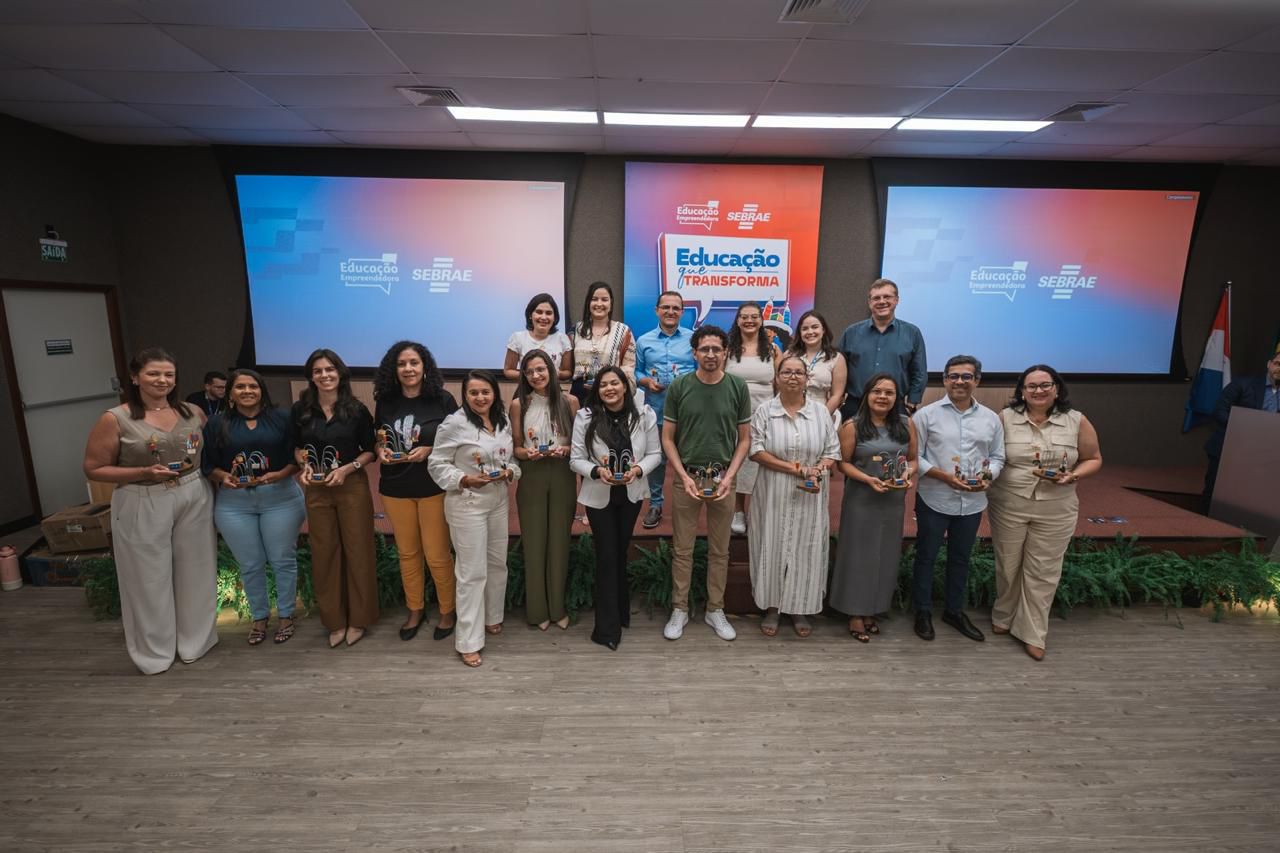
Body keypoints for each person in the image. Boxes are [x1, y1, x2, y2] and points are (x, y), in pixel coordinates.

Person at [82, 346, 217, 674]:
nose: (162, 380)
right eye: (153, 373)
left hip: (193, 492)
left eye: (168, 374)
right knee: (147, 578)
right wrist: (142, 472)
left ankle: (195, 642)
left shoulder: (193, 412)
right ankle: (154, 653)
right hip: (143, 497)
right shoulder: (115, 418)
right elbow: (94, 468)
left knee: (197, 571)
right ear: (135, 377)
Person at [988, 365, 1102, 661]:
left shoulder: (1076, 420)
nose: (1038, 390)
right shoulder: (1004, 418)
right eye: (1031, 386)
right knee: (1007, 564)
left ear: (1056, 388)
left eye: (1044, 385)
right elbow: (992, 456)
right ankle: (1004, 615)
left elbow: (1093, 458)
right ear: (1022, 391)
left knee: (1044, 571)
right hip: (1009, 503)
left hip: (1056, 507)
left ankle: (1032, 632)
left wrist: (1073, 475)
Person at [660, 325, 752, 642]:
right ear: (695, 353)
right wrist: (683, 475)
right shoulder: (679, 387)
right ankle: (680, 608)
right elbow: (667, 438)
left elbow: (744, 439)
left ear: (725, 353)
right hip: (687, 478)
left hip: (724, 479)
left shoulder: (738, 387)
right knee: (683, 549)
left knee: (720, 550)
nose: (710, 354)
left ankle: (715, 609)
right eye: (704, 349)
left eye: (716, 349)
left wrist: (730, 476)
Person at [203, 368, 305, 646]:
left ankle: (286, 616)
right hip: (234, 503)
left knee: (283, 560)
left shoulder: (283, 418)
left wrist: (281, 474)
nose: (247, 391)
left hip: (280, 498)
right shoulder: (216, 423)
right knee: (250, 564)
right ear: (230, 393)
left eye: (253, 386)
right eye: (240, 387)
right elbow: (207, 464)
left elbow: (297, 457)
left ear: (262, 390)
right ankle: (259, 618)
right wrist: (223, 477)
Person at [428, 370, 521, 668]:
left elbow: (512, 459)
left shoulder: (502, 419)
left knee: (497, 564)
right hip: (466, 503)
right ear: (465, 395)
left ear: (494, 393)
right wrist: (464, 479)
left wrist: (510, 471)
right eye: (473, 393)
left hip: (498, 500)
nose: (480, 397)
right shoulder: (454, 423)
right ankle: (468, 641)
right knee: (471, 573)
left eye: (485, 392)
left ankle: (492, 616)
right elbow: (436, 464)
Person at [910, 355, 1004, 643]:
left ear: (977, 380)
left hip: (973, 502)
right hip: (934, 498)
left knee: (961, 559)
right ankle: (922, 611)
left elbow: (998, 457)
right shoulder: (925, 415)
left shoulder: (991, 419)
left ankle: (954, 611)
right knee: (926, 556)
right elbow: (915, 458)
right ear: (945, 380)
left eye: (966, 376)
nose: (959, 381)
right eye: (953, 376)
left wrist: (988, 476)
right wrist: (944, 476)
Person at [747, 355, 839, 638]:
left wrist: (818, 469)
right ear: (777, 378)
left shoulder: (821, 412)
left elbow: (832, 451)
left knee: (805, 547)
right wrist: (797, 469)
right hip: (772, 489)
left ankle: (799, 608)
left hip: (811, 492)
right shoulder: (764, 411)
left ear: (807, 379)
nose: (793, 377)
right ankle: (773, 607)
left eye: (799, 372)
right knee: (771, 545)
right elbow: (756, 450)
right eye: (786, 372)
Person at [291, 348, 377, 649]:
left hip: (351, 485)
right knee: (324, 553)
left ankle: (359, 620)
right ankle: (335, 621)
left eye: (330, 369)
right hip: (316, 488)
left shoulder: (356, 409)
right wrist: (304, 466)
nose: (324, 375)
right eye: (318, 371)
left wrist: (347, 469)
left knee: (358, 550)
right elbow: (297, 448)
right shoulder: (300, 410)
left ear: (340, 373)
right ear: (311, 376)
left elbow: (371, 451)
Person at [373, 341, 459, 643]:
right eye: (401, 364)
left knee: (437, 555)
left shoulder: (443, 400)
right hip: (395, 488)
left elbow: (459, 441)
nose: (408, 369)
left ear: (425, 367)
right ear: (393, 369)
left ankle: (448, 610)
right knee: (408, 554)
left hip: (433, 487)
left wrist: (430, 449)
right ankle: (415, 609)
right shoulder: (385, 401)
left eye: (414, 363)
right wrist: (380, 450)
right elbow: (379, 436)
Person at [571, 366, 662, 649]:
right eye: (603, 385)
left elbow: (655, 454)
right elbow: (575, 459)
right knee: (607, 555)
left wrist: (638, 469)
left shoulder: (644, 414)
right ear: (597, 390)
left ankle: (622, 613)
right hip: (599, 495)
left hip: (631, 494)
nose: (609, 389)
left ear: (625, 386)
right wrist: (597, 472)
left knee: (620, 552)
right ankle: (606, 630)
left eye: (615, 383)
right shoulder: (585, 417)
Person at [829, 374, 918, 642]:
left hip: (893, 501)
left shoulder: (906, 424)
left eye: (889, 393)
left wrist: (907, 473)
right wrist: (868, 479)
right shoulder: (852, 426)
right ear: (867, 395)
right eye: (877, 391)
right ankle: (855, 612)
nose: (882, 397)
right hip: (862, 499)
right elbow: (842, 464)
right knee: (858, 556)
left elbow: (914, 459)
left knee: (884, 556)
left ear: (896, 398)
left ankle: (874, 609)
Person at [510, 349, 579, 631]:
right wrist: (527, 454)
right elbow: (516, 447)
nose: (536, 375)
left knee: (560, 541)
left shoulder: (569, 401)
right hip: (532, 474)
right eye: (529, 372)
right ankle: (537, 610)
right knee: (534, 542)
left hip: (562, 473)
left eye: (540, 369)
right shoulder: (519, 405)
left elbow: (579, 445)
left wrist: (567, 449)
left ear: (551, 369)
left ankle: (557, 607)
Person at [633, 290, 696, 529]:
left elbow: (703, 368)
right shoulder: (644, 341)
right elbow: (636, 371)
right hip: (657, 409)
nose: (670, 312)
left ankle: (688, 503)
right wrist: (646, 381)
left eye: (675, 308)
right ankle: (656, 504)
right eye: (666, 307)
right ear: (657, 310)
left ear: (682, 312)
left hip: (689, 412)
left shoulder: (693, 339)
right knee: (657, 460)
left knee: (689, 459)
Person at [725, 301, 781, 535]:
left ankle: (756, 510)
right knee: (739, 462)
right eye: (744, 316)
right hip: (733, 415)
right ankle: (738, 511)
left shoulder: (773, 349)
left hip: (765, 415)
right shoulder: (727, 349)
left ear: (761, 320)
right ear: (737, 320)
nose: (749, 320)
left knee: (761, 461)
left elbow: (779, 384)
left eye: (754, 316)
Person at [837, 278, 927, 421]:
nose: (882, 301)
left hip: (895, 407)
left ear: (896, 300)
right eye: (876, 298)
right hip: (856, 405)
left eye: (887, 297)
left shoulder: (912, 333)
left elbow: (919, 372)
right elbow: (838, 370)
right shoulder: (851, 333)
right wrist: (838, 398)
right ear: (869, 302)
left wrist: (911, 403)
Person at [1204, 350, 1280, 506]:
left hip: (1264, 455)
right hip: (1230, 448)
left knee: (1249, 497)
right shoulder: (1243, 384)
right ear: (1269, 364)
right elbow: (1219, 410)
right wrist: (1244, 428)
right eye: (1277, 364)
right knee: (1214, 493)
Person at [570, 281, 635, 405]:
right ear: (588, 303)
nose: (599, 304)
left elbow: (628, 368)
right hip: (579, 395)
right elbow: (568, 367)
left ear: (611, 303)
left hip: (610, 393)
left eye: (604, 300)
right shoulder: (576, 330)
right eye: (594, 299)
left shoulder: (623, 331)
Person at [787, 310, 847, 419]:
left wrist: (822, 418)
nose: (810, 332)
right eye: (805, 329)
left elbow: (837, 395)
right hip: (790, 411)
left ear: (823, 330)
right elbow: (780, 387)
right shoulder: (789, 355)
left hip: (821, 412)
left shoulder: (836, 358)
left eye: (815, 327)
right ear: (800, 333)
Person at [503, 293, 572, 382]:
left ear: (554, 317)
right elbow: (508, 371)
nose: (543, 317)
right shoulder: (517, 338)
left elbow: (568, 372)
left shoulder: (563, 339)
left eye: (548, 313)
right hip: (526, 389)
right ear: (530, 315)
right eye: (539, 312)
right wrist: (530, 375)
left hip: (553, 389)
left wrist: (553, 374)